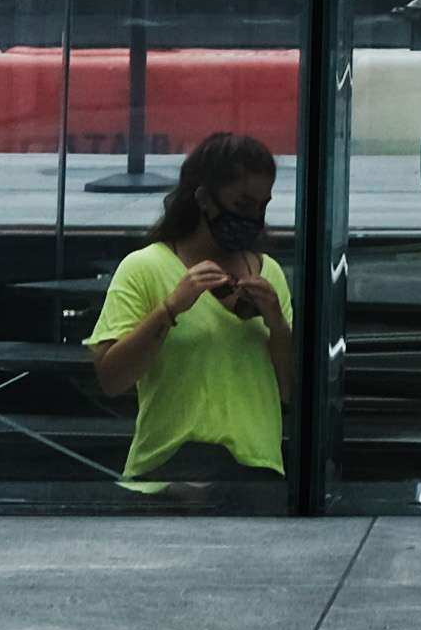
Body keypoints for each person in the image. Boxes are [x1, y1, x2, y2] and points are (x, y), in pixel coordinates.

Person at [83, 128, 295, 496]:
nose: (254, 218)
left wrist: (277, 324)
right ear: (204, 199)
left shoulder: (269, 274)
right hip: (165, 473)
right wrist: (168, 310)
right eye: (243, 205)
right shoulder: (145, 267)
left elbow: (290, 389)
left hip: (256, 473)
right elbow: (111, 378)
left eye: (263, 206)